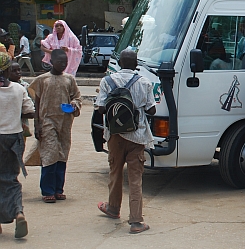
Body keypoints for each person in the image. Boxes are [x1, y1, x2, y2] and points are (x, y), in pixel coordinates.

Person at [95, 49, 155, 234]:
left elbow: (101, 109)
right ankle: (136, 222)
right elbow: (151, 110)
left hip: (114, 136)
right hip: (137, 137)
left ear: (119, 63)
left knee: (115, 172)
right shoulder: (145, 82)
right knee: (135, 179)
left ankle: (113, 208)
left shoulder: (107, 81)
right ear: (136, 64)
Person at [29, 49, 81, 203]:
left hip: (65, 122)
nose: (63, 65)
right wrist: (37, 125)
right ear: (51, 62)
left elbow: (77, 97)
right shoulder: (42, 80)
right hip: (47, 121)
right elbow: (37, 103)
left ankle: (59, 189)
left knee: (62, 154)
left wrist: (74, 105)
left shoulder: (69, 79)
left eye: (65, 62)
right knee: (50, 154)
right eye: (60, 62)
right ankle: (47, 190)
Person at [0, 52, 34, 238]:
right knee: (11, 178)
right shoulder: (19, 89)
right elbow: (30, 112)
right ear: (7, 70)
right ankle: (18, 212)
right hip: (13, 138)